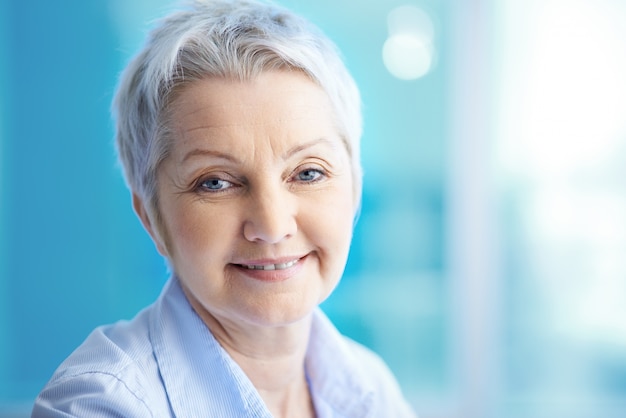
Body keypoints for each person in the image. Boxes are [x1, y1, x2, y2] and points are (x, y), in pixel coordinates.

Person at [32, 0, 417, 416]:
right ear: (151, 218)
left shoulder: (370, 385)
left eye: (307, 173)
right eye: (215, 182)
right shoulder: (98, 405)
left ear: (355, 188)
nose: (271, 225)